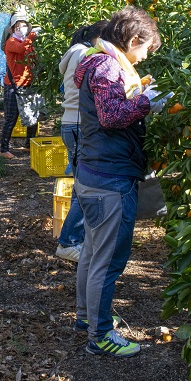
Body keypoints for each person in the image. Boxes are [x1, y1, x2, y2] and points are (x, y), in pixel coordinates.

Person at [72, 6, 167, 358]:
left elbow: (107, 106)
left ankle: (87, 318)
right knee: (106, 261)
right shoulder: (108, 65)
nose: (144, 58)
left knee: (94, 253)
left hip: (96, 171)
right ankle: (99, 336)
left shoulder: (100, 62)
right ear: (132, 40)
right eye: (145, 49)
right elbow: (112, 116)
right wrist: (147, 101)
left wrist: (139, 93)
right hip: (109, 178)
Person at [56, 20, 108, 262]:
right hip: (78, 126)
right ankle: (68, 242)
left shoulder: (76, 52)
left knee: (82, 186)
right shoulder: (84, 54)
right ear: (100, 38)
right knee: (82, 189)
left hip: (73, 125)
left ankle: (76, 238)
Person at [0, 9, 38, 159]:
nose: (21, 29)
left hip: (28, 84)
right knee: (11, 119)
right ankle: (3, 149)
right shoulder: (11, 42)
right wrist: (33, 35)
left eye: (24, 26)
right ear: (12, 29)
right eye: (17, 26)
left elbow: (32, 55)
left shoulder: (27, 43)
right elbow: (22, 50)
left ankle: (29, 145)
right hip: (13, 86)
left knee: (32, 118)